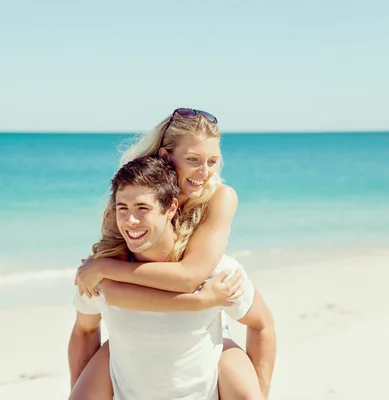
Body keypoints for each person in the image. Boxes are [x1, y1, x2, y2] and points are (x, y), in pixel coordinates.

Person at [74, 108, 276, 398]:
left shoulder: (219, 197)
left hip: (198, 324)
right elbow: (113, 295)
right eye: (193, 159)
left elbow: (189, 276)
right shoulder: (132, 198)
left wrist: (103, 268)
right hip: (135, 336)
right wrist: (102, 272)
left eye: (212, 162)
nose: (205, 172)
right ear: (166, 156)